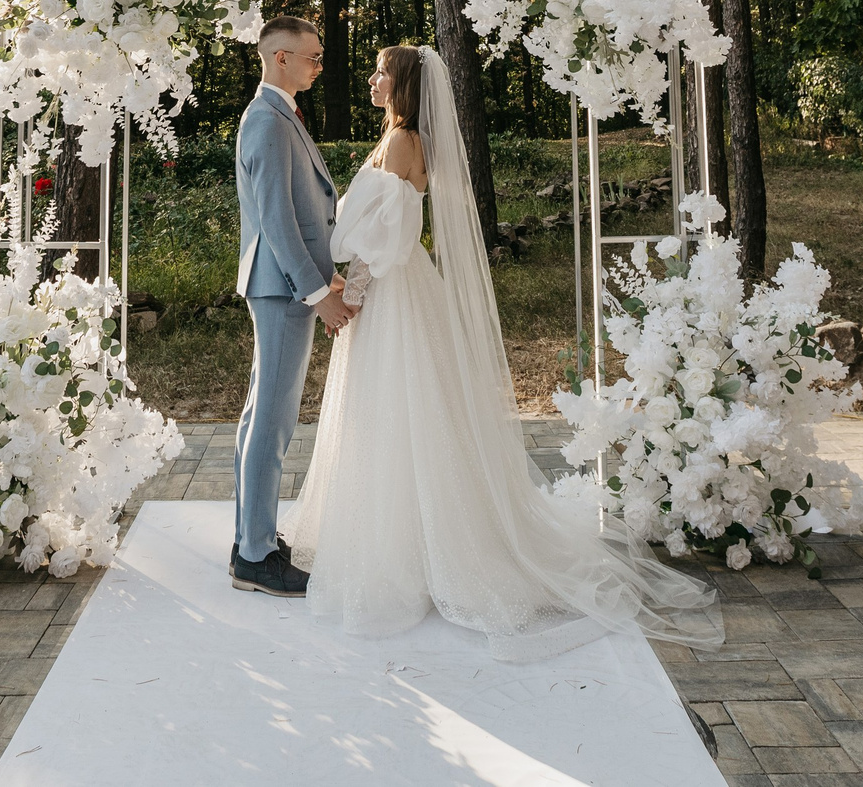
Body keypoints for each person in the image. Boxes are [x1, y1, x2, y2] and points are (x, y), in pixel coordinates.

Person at [286, 43, 723, 660]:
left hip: (389, 289)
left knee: (399, 408)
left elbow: (385, 234)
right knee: (393, 410)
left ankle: (414, 548)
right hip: (388, 285)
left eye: (382, 72)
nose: (373, 78)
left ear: (403, 84)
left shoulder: (405, 140)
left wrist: (350, 293)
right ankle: (398, 532)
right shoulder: (395, 137)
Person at [228, 14, 350, 596]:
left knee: (260, 416)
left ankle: (250, 539)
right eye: (312, 56)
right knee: (272, 424)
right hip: (282, 287)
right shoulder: (266, 120)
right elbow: (277, 220)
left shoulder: (278, 115)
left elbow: (303, 209)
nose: (319, 65)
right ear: (281, 57)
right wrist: (318, 293)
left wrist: (325, 276)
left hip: (283, 285)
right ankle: (255, 557)